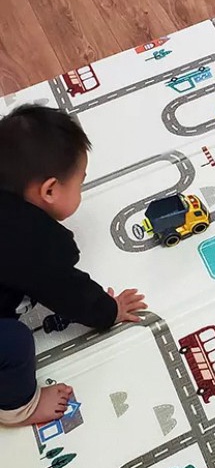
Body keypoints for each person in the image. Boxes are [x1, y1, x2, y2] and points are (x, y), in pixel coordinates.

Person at [0, 105, 146, 427]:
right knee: (14, 342)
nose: (81, 191)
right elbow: (70, 292)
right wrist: (108, 310)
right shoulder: (33, 242)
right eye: (80, 184)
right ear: (50, 190)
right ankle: (18, 409)